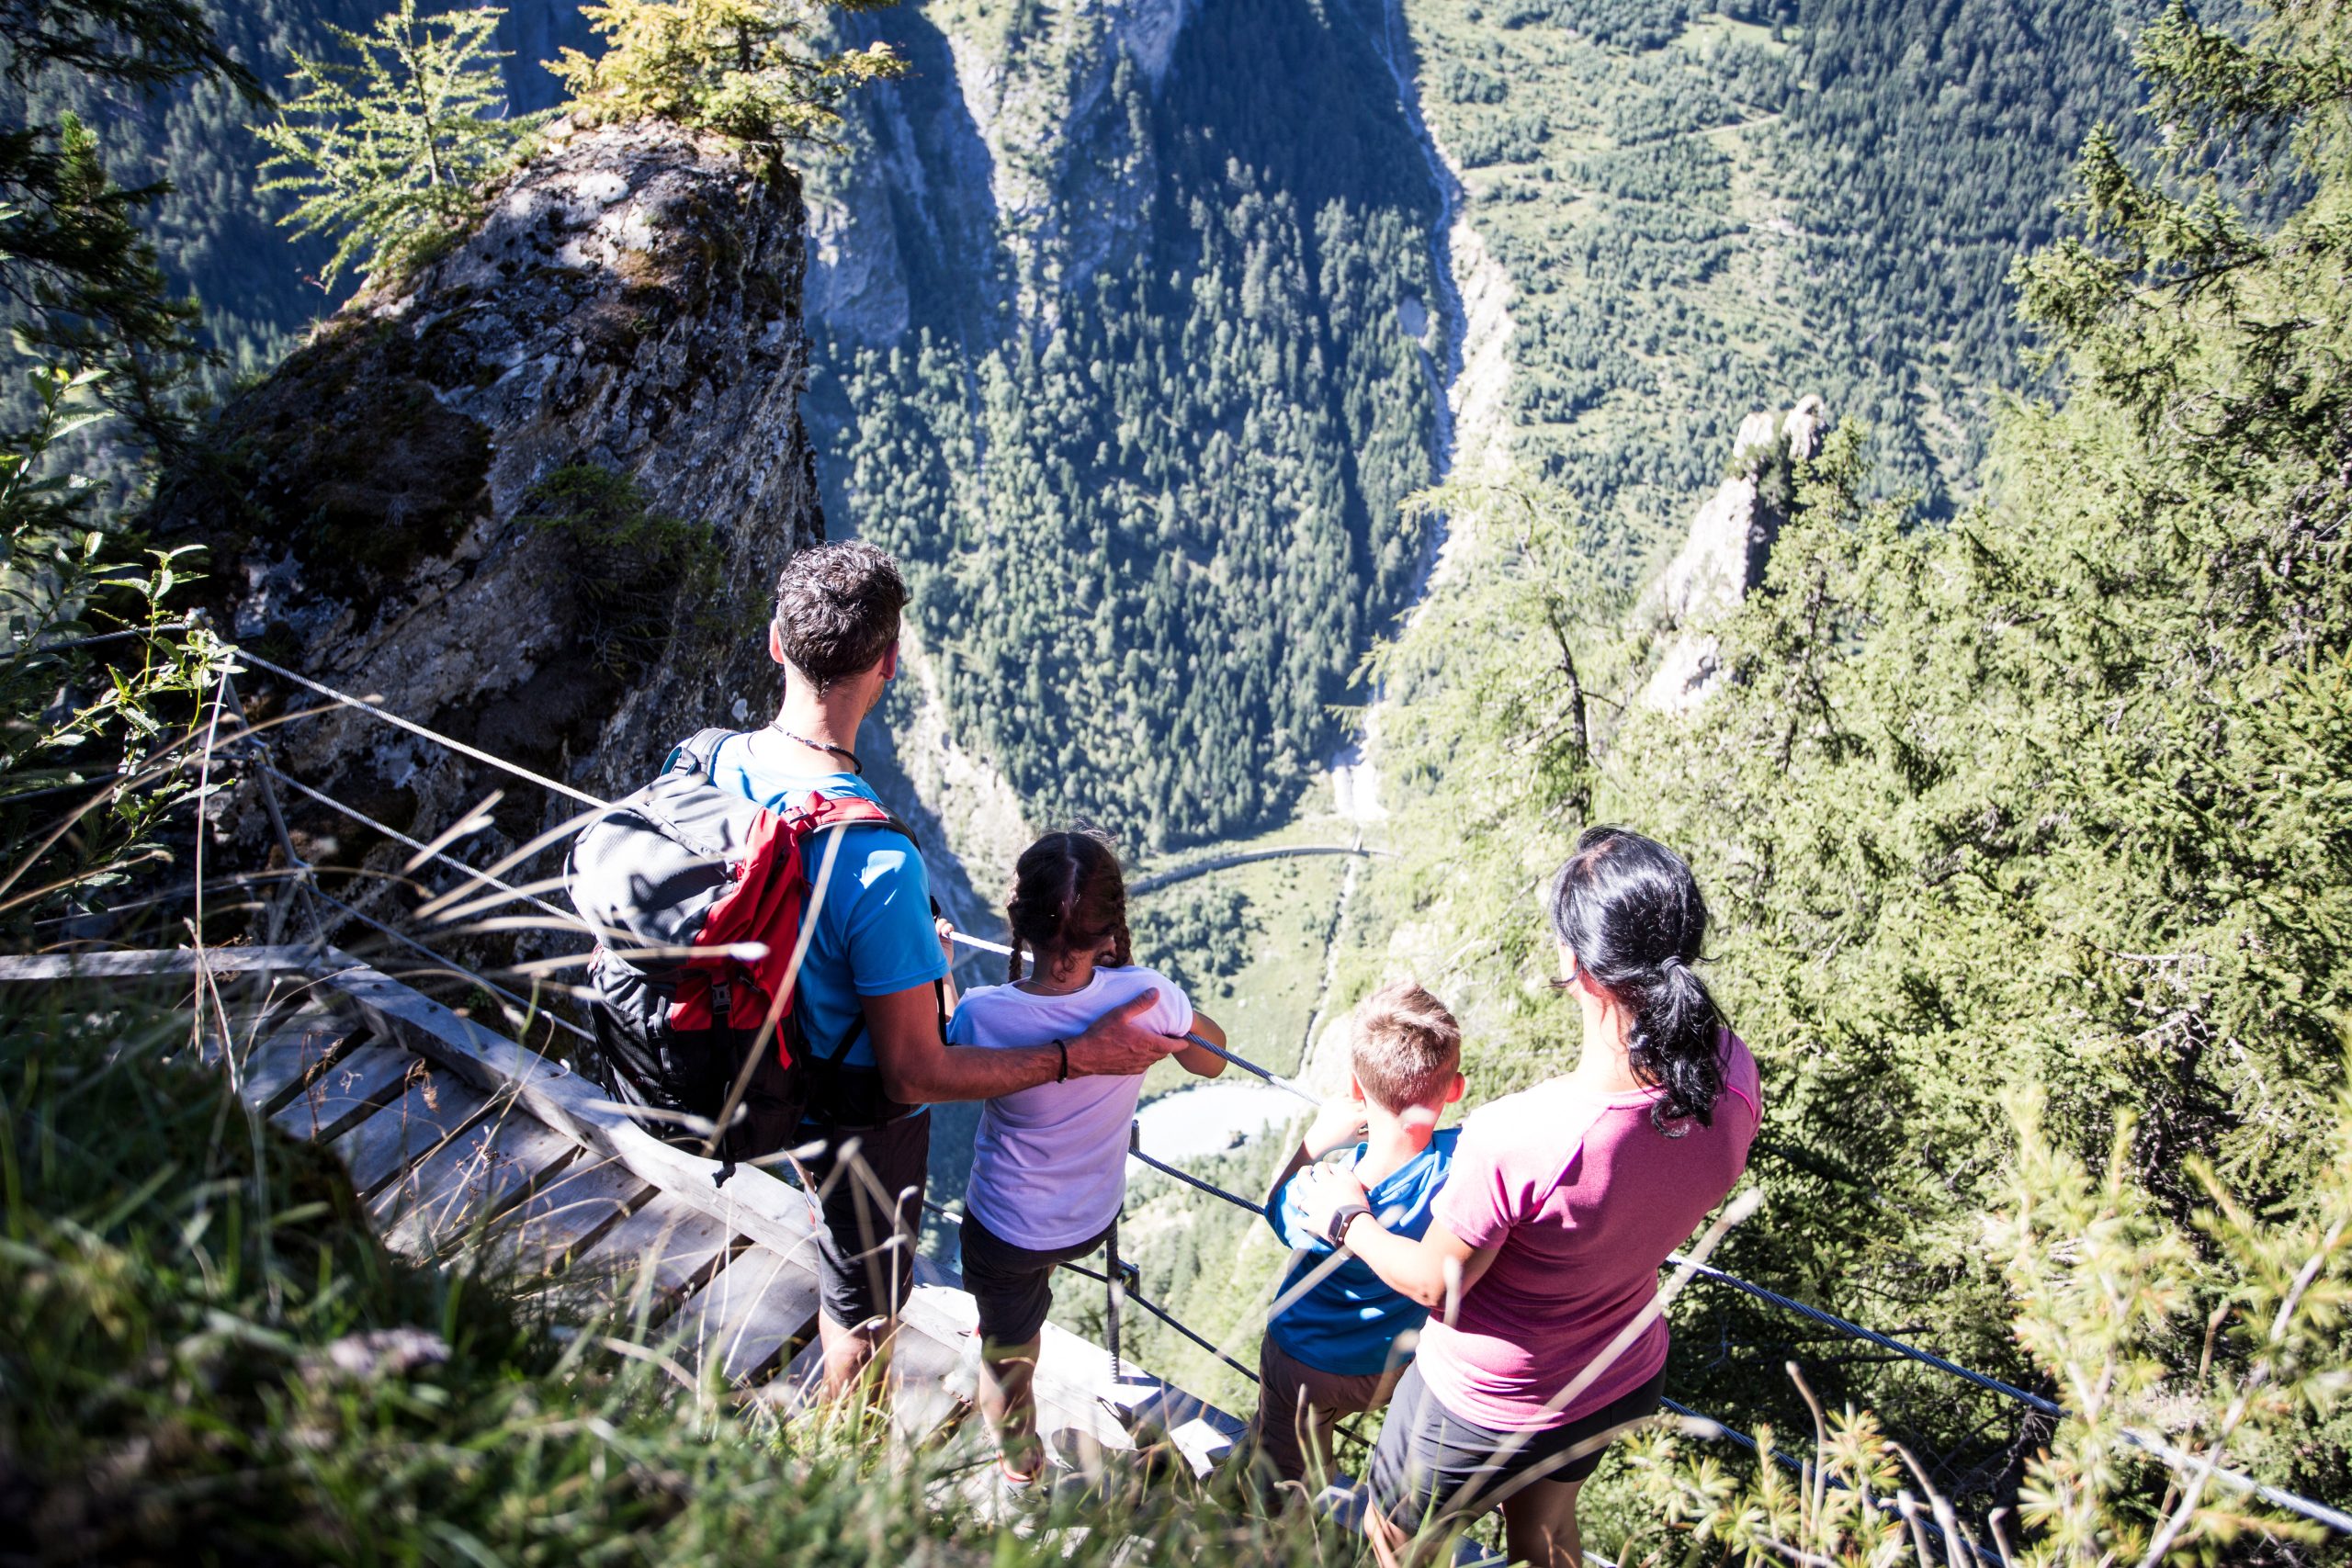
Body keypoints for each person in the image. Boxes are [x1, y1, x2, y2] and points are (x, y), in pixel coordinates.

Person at [711, 542, 1188, 1399]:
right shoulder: (878, 862)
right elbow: (915, 1071)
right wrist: (1077, 1055)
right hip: (841, 1104)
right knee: (863, 1307)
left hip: (726, 1045)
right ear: (890, 664)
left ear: (777, 642)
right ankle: (842, 1453)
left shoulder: (705, 761)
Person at [1294, 827, 1762, 1568]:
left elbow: (1436, 1284)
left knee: (1397, 1545)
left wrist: (1348, 1216)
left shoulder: (1523, 1136)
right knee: (1547, 1536)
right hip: (1619, 1370)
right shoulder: (1731, 1077)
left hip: (1483, 1402)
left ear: (1574, 964)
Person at [946, 829, 1229, 1491]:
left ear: (1019, 920)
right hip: (1091, 1217)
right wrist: (1153, 999)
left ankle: (1020, 1474)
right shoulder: (1151, 998)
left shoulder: (986, 1013)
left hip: (1007, 1226)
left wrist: (943, 968)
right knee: (1024, 1302)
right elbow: (1212, 1059)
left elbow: (948, 1058)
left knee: (1006, 1364)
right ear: (1110, 925)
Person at [1256, 980, 1466, 1487]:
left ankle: (1281, 1499)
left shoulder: (1324, 1187)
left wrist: (1314, 1142)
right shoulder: (1463, 1165)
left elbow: (1275, 1209)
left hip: (1303, 1364)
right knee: (1295, 1437)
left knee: (1282, 1467)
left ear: (1356, 1089)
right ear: (1455, 1090)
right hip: (1388, 1370)